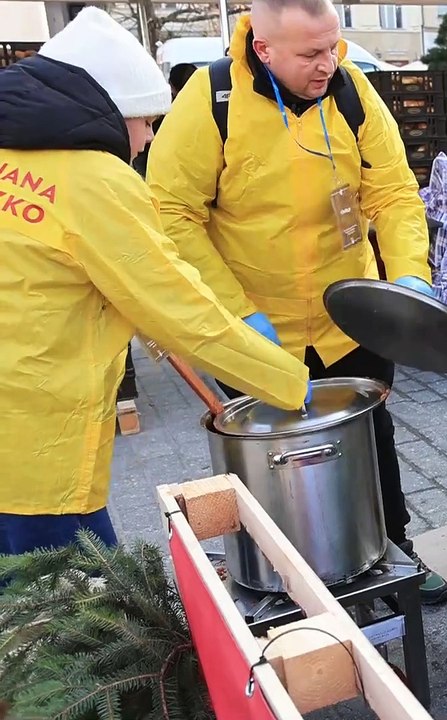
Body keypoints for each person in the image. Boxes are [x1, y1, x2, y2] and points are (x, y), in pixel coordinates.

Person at [145, 0, 447, 602]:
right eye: (312, 53)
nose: (328, 62)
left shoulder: (353, 93)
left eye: (333, 46)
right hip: (257, 329)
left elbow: (392, 191)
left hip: (350, 317)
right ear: (265, 50)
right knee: (270, 459)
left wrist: (410, 274)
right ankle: (286, 576)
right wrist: (234, 312)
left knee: (369, 438)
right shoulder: (212, 101)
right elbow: (172, 212)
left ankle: (396, 554)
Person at [0, 8, 309, 556]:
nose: (146, 140)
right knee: (74, 605)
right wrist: (287, 382)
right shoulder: (95, 180)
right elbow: (179, 307)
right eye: (146, 121)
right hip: (31, 446)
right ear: (110, 112)